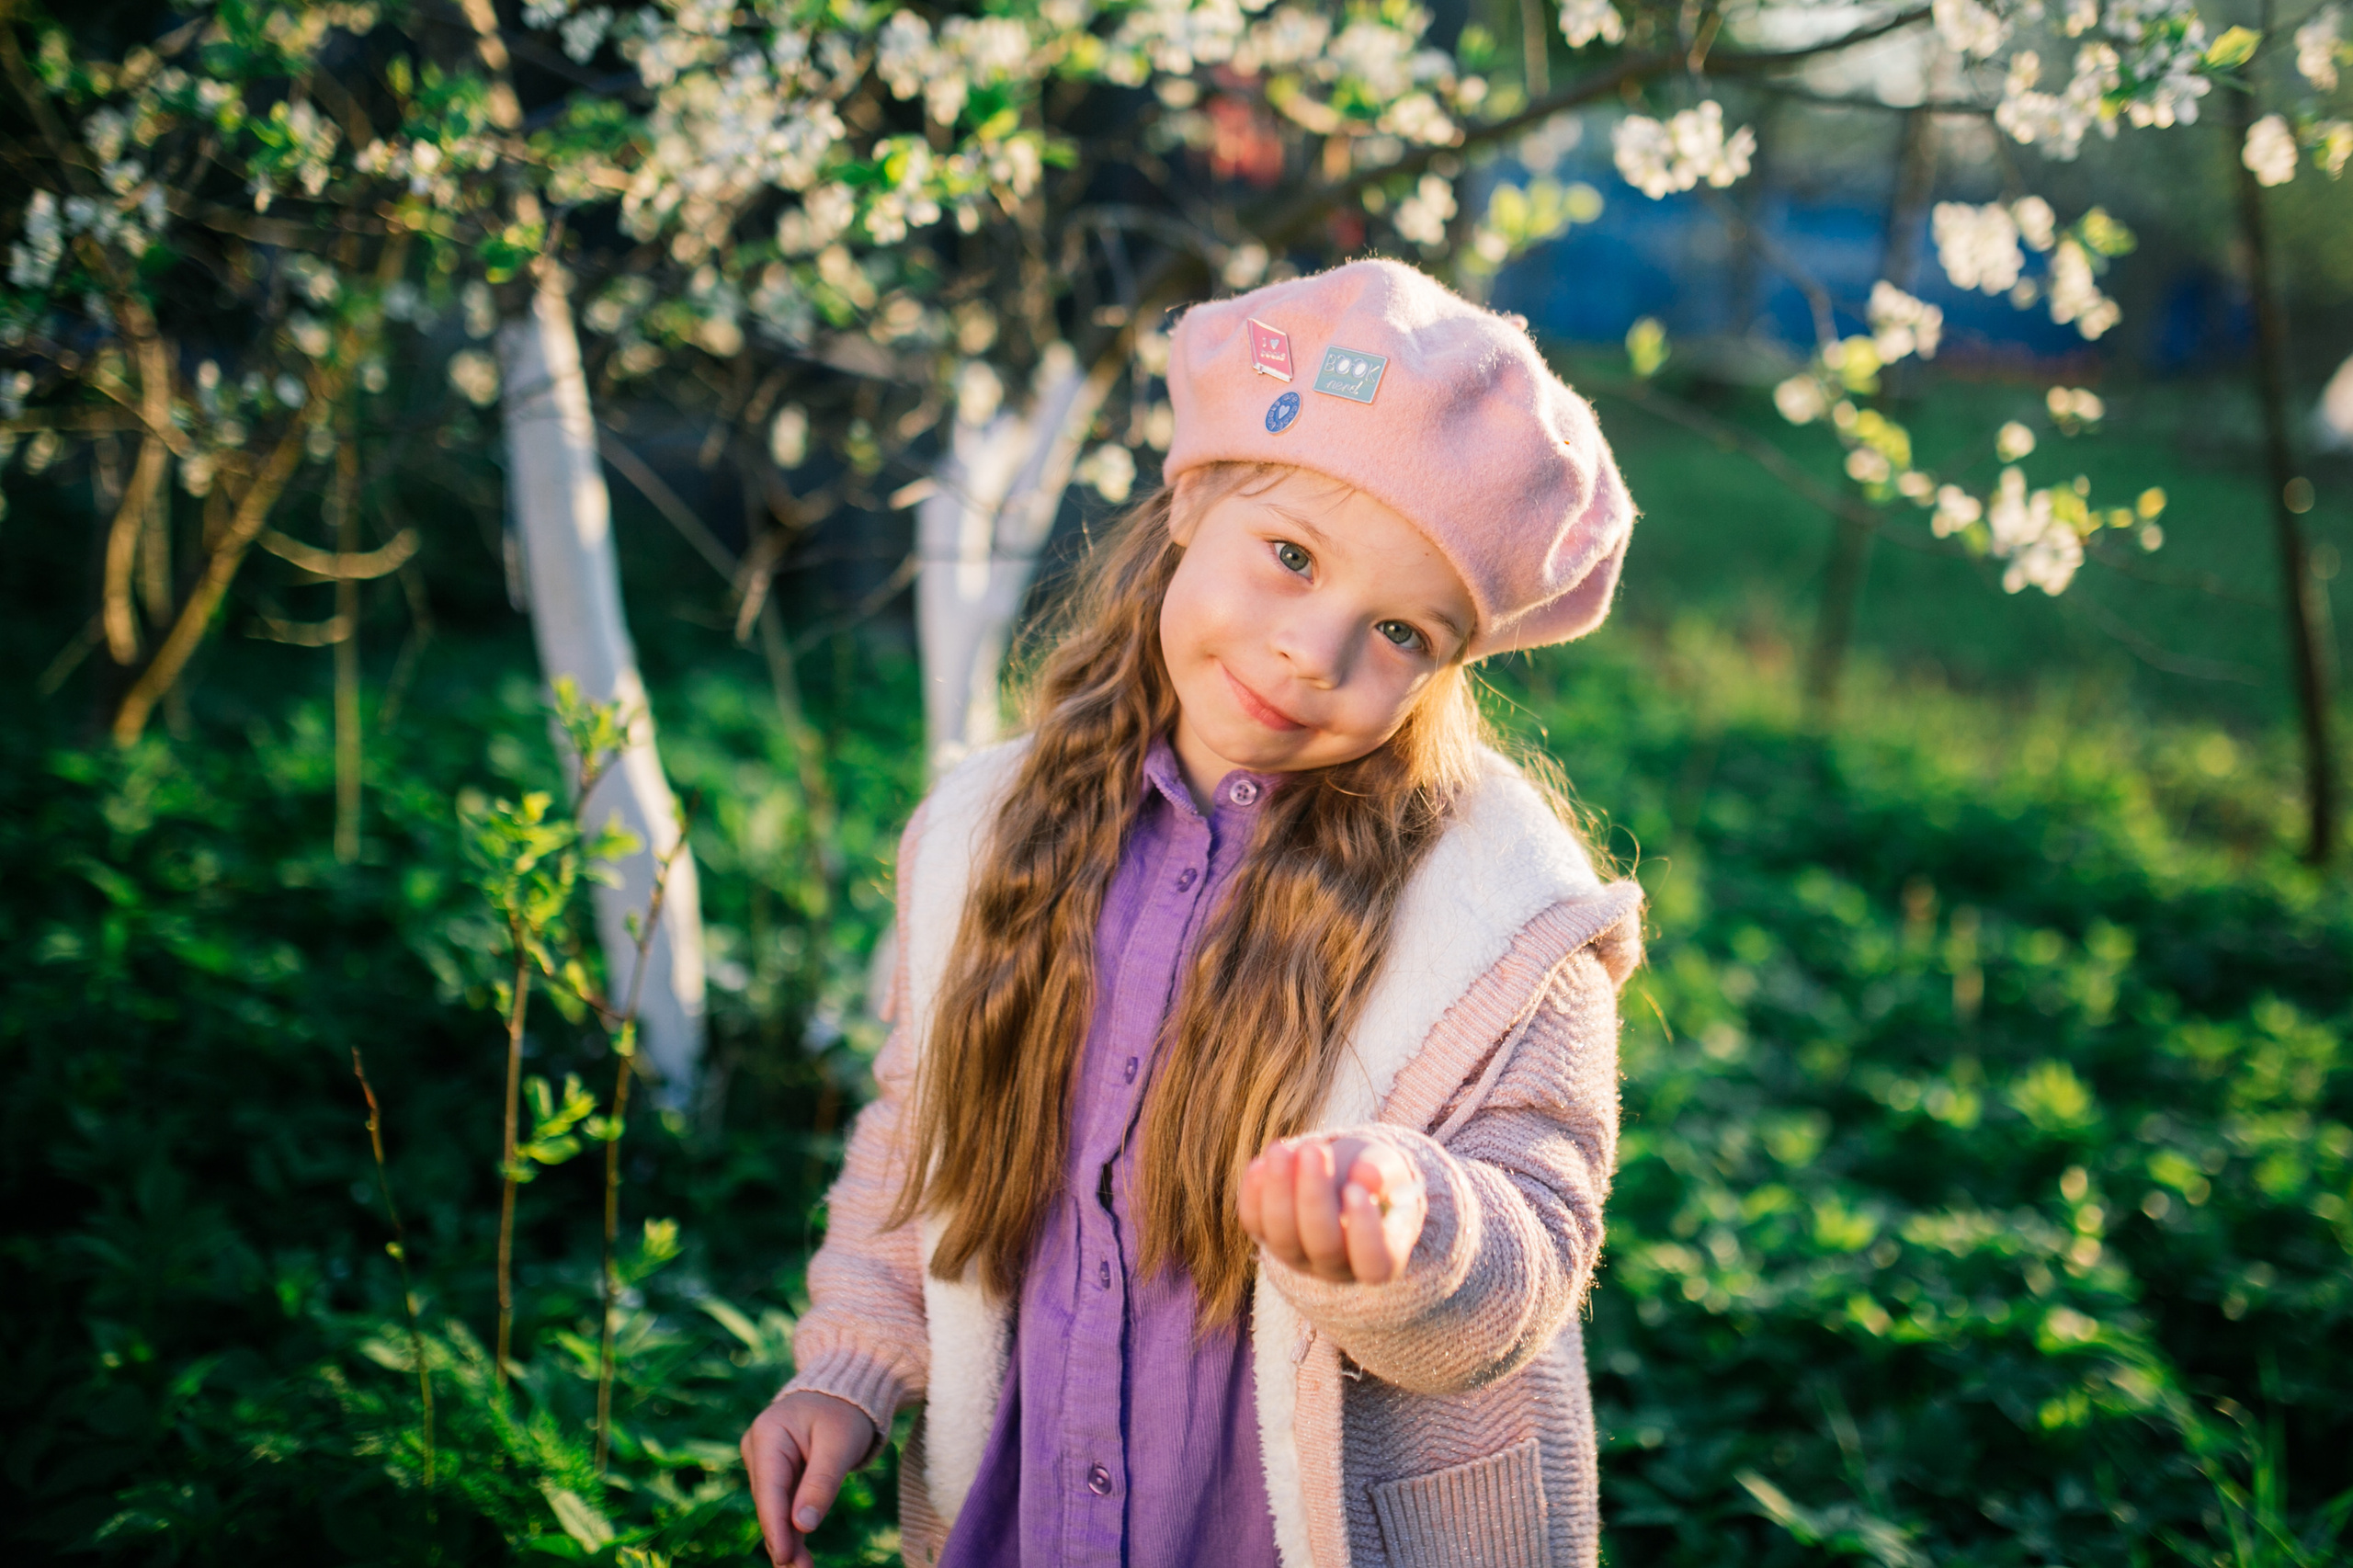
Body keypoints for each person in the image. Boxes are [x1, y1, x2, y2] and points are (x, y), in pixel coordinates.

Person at [741, 258, 1645, 1568]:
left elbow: (1538, 1237)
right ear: (1196, 499)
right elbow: (919, 1127)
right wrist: (850, 1364)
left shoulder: (1502, 921)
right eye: (1289, 556)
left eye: (1399, 631)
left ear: (1454, 663)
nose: (1313, 653)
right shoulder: (985, 833)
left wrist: (1415, 1228)